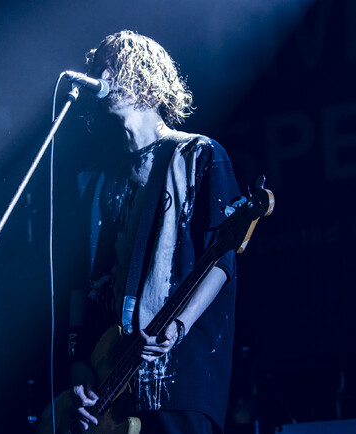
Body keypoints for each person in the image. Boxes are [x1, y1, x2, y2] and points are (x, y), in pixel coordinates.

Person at [67, 30, 240, 434]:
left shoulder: (199, 154)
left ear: (145, 76)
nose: (101, 76)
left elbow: (222, 259)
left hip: (176, 381)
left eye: (113, 66)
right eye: (98, 67)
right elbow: (79, 282)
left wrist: (177, 327)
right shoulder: (92, 181)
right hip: (107, 390)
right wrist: (78, 361)